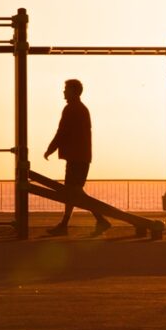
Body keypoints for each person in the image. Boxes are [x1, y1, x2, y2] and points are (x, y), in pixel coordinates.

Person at [43, 79, 110, 236]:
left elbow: (62, 131)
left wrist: (50, 149)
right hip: (81, 156)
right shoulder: (81, 109)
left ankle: (99, 219)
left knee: (74, 191)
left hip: (76, 157)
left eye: (66, 89)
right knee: (73, 192)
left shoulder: (71, 109)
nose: (63, 92)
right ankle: (70, 223)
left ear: (73, 91)